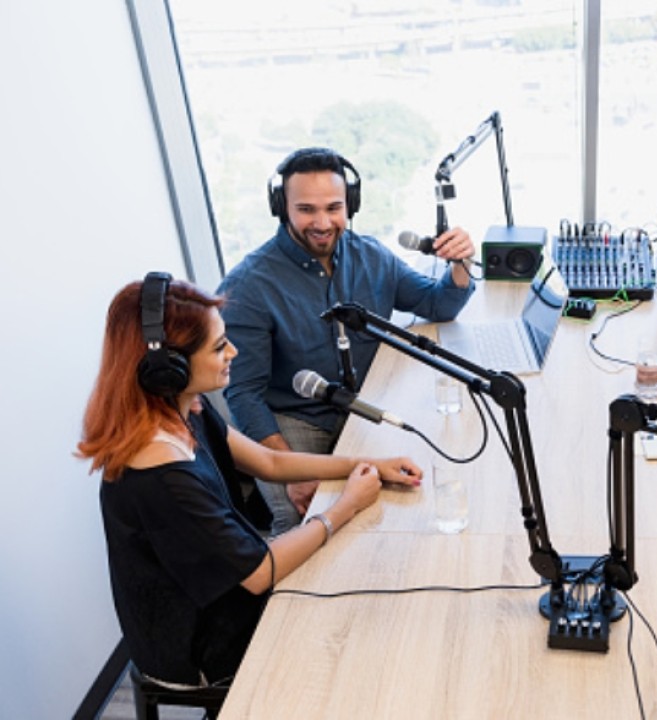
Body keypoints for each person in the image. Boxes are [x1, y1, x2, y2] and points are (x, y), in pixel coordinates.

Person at [78, 274, 422, 687]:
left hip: (226, 592)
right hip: (195, 643)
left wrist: (367, 464)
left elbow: (269, 462)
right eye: (220, 346)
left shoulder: (184, 410)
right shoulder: (161, 473)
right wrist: (344, 507)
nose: (234, 352)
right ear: (169, 369)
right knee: (352, 628)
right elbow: (261, 572)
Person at [218, 147, 476, 535]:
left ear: (350, 204)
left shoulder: (370, 254)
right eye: (306, 209)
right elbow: (243, 395)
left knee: (426, 486)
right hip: (296, 420)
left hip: (367, 406)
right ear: (281, 207)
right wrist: (292, 474)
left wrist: (460, 264)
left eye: (333, 207)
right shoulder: (248, 285)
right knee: (301, 520)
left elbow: (436, 303)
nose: (322, 222)